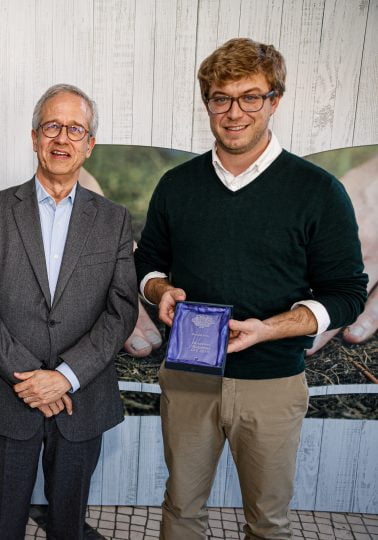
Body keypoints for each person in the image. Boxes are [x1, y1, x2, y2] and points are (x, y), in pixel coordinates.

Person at [134, 38, 368, 539]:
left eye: (250, 97)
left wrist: (270, 329)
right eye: (221, 98)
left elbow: (348, 292)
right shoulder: (177, 185)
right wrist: (160, 291)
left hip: (272, 383)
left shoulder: (318, 191)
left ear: (274, 100)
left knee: (268, 521)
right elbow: (149, 263)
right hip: (190, 377)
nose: (234, 112)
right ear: (207, 103)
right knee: (180, 509)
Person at [0, 83, 138, 539]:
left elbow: (121, 309)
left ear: (90, 144)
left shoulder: (113, 218)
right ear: (34, 136)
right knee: (6, 524)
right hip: (8, 394)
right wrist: (30, 377)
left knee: (69, 525)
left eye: (74, 129)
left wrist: (66, 376)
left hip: (83, 397)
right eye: (52, 127)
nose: (62, 139)